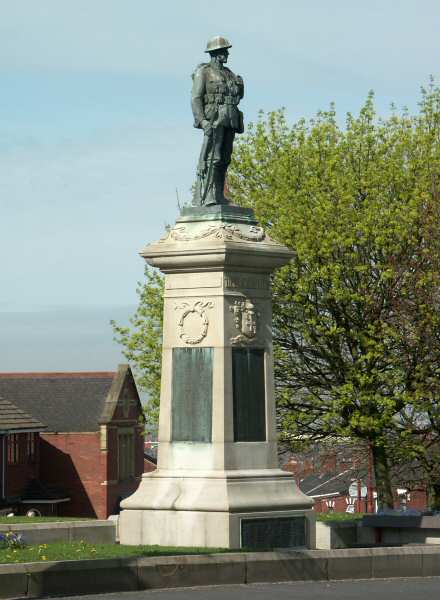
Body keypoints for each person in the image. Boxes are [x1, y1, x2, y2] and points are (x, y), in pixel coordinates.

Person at [191, 36, 244, 205]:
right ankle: (209, 196)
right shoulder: (204, 72)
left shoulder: (230, 74)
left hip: (230, 119)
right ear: (216, 53)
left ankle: (220, 195)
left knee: (225, 158)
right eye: (224, 51)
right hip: (214, 119)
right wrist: (202, 121)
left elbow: (238, 95)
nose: (227, 53)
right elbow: (196, 98)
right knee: (214, 157)